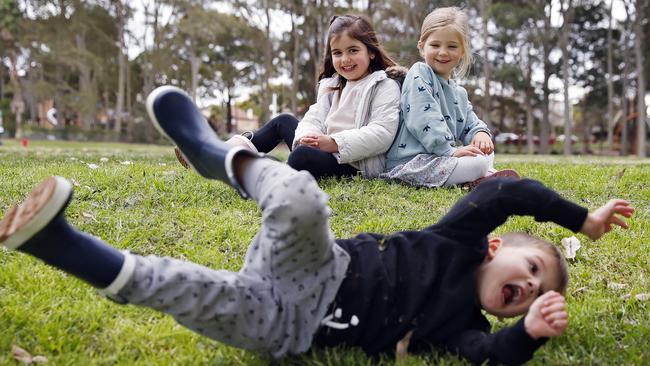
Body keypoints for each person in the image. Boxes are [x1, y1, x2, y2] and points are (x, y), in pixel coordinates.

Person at [1, 87, 634, 365]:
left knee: (184, 289)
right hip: (317, 263)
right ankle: (219, 154)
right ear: (496, 246)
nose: (528, 284)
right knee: (302, 199)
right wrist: (582, 220)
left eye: (534, 289)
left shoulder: (460, 329)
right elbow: (511, 191)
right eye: (531, 267)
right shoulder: (458, 239)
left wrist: (526, 334)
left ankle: (58, 244)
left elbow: (492, 357)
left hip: (289, 328)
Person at [176, 14, 403, 180]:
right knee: (283, 121)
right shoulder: (332, 85)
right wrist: (307, 137)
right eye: (337, 53)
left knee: (301, 157)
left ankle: (246, 167)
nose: (345, 59)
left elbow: (382, 134)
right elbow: (313, 118)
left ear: (371, 52)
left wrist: (333, 143)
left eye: (353, 50)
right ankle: (217, 153)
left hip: (354, 164)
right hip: (320, 149)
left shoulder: (383, 85)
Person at [383, 7, 517, 188]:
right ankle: (483, 175)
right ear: (422, 47)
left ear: (462, 51)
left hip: (441, 158)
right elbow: (424, 117)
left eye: (452, 46)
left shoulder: (458, 93)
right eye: (435, 45)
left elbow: (471, 122)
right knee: (477, 163)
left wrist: (480, 134)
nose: (443, 52)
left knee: (485, 152)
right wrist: (448, 150)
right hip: (412, 162)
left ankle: (480, 178)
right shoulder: (419, 73)